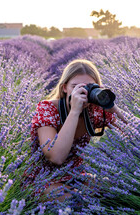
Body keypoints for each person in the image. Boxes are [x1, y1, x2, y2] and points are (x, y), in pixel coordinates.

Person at [28, 59, 127, 202]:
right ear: (64, 88)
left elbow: (138, 132)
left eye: (89, 88)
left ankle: (87, 205)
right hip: (43, 180)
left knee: (118, 188)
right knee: (70, 199)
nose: (82, 93)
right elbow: (56, 157)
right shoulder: (48, 109)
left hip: (76, 176)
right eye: (76, 87)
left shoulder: (93, 111)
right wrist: (74, 111)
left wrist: (113, 108)